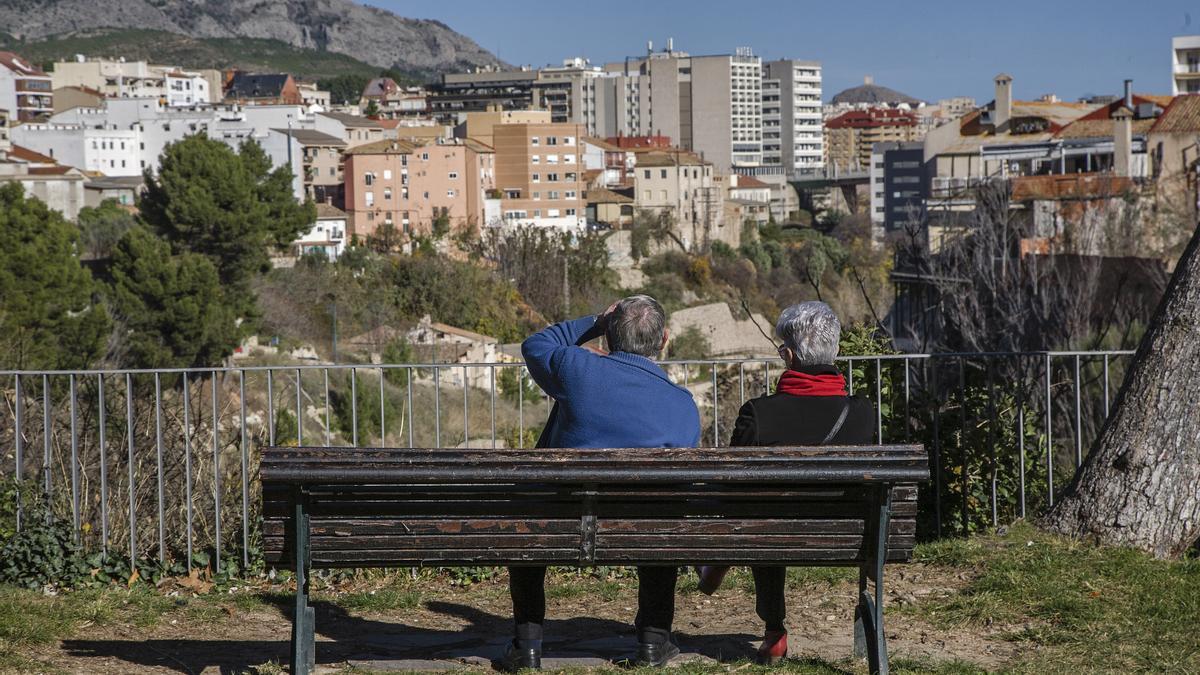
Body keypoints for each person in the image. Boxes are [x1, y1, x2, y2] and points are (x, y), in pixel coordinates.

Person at [503, 295, 701, 670]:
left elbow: (535, 345)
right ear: (664, 341)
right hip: (642, 527)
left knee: (529, 511)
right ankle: (653, 641)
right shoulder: (682, 405)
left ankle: (527, 646)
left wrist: (595, 321)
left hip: (560, 519)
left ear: (609, 337)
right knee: (662, 517)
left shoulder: (577, 369)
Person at [696, 301, 874, 664]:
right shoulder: (861, 411)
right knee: (767, 512)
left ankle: (774, 628)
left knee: (764, 514)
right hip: (845, 534)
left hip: (771, 533)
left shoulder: (759, 413)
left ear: (789, 356)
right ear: (836, 351)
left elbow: (731, 485)